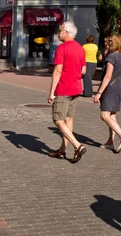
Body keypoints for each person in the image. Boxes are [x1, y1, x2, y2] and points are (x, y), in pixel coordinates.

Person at [48, 21, 87, 163]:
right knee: (69, 119)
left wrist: (52, 92)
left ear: (67, 33)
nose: (59, 32)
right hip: (76, 88)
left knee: (58, 119)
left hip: (64, 88)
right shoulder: (80, 48)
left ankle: (77, 145)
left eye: (61, 30)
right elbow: (83, 70)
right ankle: (63, 149)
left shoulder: (62, 48)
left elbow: (58, 70)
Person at [93, 34, 121, 153]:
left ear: (115, 42)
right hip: (120, 87)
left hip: (110, 88)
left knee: (104, 115)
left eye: (110, 41)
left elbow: (107, 76)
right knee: (112, 115)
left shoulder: (112, 56)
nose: (108, 43)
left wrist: (99, 93)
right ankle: (110, 142)